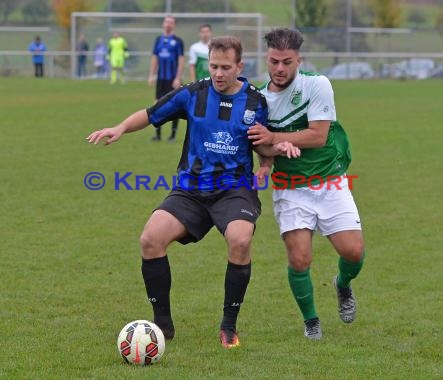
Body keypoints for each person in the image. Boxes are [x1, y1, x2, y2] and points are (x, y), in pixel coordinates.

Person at [86, 36, 300, 349]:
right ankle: (162, 326)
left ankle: (228, 325)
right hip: (191, 190)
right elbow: (150, 113)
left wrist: (271, 157)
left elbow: (262, 142)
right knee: (150, 239)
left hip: (235, 190)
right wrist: (119, 128)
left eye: (226, 67)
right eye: (214, 66)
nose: (218, 73)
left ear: (239, 67)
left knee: (240, 240)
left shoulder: (255, 102)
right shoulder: (194, 93)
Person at [248, 28, 365, 340]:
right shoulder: (259, 100)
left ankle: (342, 284)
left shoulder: (317, 85)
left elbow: (318, 135)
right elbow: (259, 143)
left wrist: (275, 138)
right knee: (300, 259)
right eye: (274, 61)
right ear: (266, 58)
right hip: (290, 187)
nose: (280, 68)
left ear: (299, 59)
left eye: (287, 61)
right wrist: (267, 159)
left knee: (353, 252)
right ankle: (311, 321)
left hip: (330, 181)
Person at [147, 15, 184, 142]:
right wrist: (151, 75)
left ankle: (172, 135)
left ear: (174, 25)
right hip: (161, 79)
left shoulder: (178, 41)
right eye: (167, 22)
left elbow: (181, 60)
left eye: (171, 22)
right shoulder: (158, 40)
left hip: (172, 79)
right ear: (163, 24)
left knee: (175, 105)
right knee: (157, 104)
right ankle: (158, 135)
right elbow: (154, 58)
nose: (168, 24)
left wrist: (178, 77)